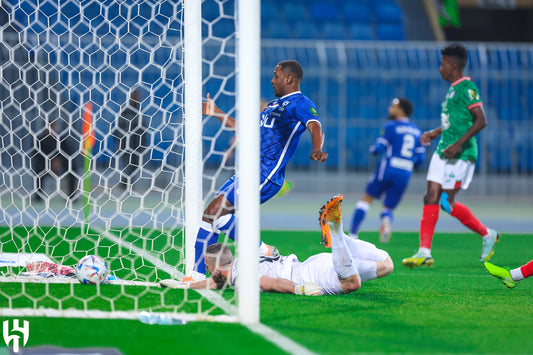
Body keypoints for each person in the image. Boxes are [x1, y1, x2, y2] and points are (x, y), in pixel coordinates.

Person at [195, 60, 328, 274]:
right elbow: (243, 129)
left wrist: (317, 147)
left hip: (266, 173)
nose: (272, 80)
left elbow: (314, 125)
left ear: (289, 79)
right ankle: (198, 274)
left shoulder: (300, 102)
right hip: (249, 171)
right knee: (211, 215)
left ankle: (260, 251)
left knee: (215, 212)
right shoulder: (272, 106)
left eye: (276, 76)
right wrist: (216, 111)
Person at [402, 43, 499, 268]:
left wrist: (457, 145)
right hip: (443, 150)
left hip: (461, 153)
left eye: (443, 63)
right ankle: (424, 251)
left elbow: (481, 120)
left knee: (446, 202)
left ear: (453, 65)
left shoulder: (468, 88)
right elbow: (454, 122)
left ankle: (487, 234)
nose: (440, 68)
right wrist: (435, 132)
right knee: (430, 197)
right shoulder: (453, 89)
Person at [179, 195, 393, 295]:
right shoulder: (250, 257)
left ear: (216, 269)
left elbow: (269, 282)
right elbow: (215, 283)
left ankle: (336, 231)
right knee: (386, 264)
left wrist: (298, 289)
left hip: (307, 277)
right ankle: (341, 237)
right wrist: (187, 285)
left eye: (207, 268)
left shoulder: (240, 276)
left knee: (352, 284)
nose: (206, 272)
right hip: (316, 263)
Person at [349, 98, 425, 243]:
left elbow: (379, 149)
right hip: (405, 173)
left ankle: (353, 235)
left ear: (401, 109)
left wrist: (372, 150)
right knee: (388, 207)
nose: (390, 108)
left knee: (366, 199)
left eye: (393, 106)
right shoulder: (417, 131)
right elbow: (420, 159)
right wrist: (407, 164)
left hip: (388, 169)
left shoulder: (390, 126)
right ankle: (385, 220)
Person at [31, 120, 80, 201]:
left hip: (60, 165)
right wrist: (50, 161)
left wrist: (59, 161)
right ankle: (38, 196)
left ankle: (71, 196)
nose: (52, 129)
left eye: (53, 127)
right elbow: (36, 154)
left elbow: (67, 153)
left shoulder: (61, 139)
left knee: (72, 168)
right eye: (50, 127)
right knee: (38, 169)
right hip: (45, 164)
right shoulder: (40, 140)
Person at [114, 90, 146, 190]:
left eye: (138, 95)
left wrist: (143, 144)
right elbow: (118, 127)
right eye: (135, 95)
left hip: (137, 144)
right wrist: (118, 141)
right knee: (126, 164)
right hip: (126, 144)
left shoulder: (140, 111)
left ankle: (129, 183)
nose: (137, 97)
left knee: (135, 165)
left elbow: (143, 129)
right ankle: (125, 184)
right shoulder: (125, 111)